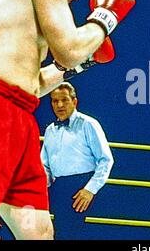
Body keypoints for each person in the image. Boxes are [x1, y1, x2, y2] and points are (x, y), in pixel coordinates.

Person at [0, 0, 135, 240]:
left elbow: (33, 83)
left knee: (39, 232)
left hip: (17, 112)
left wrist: (80, 65)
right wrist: (106, 18)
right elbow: (68, 49)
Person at [41, 82, 114, 239]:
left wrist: (90, 190)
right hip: (58, 188)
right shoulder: (50, 130)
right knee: (58, 235)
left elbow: (105, 159)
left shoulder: (89, 124)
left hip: (84, 186)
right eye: (55, 101)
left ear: (74, 102)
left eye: (64, 100)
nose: (60, 105)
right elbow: (44, 165)